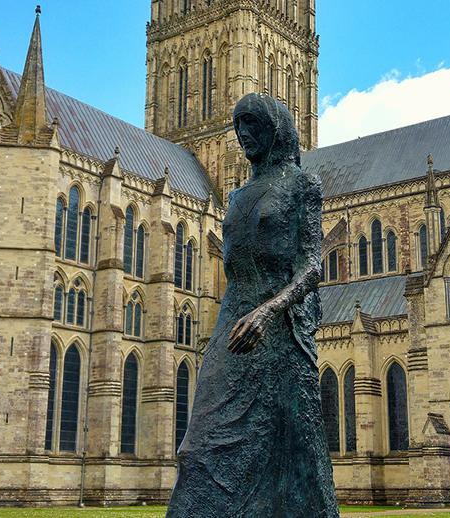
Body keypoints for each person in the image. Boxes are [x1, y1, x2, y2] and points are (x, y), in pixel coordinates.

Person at [165, 93, 339, 517]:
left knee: (296, 446)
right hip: (231, 322)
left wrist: (268, 311)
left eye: (252, 125)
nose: (243, 135)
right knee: (199, 445)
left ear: (274, 130)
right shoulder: (238, 196)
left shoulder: (302, 185)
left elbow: (315, 266)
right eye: (238, 126)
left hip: (278, 330)